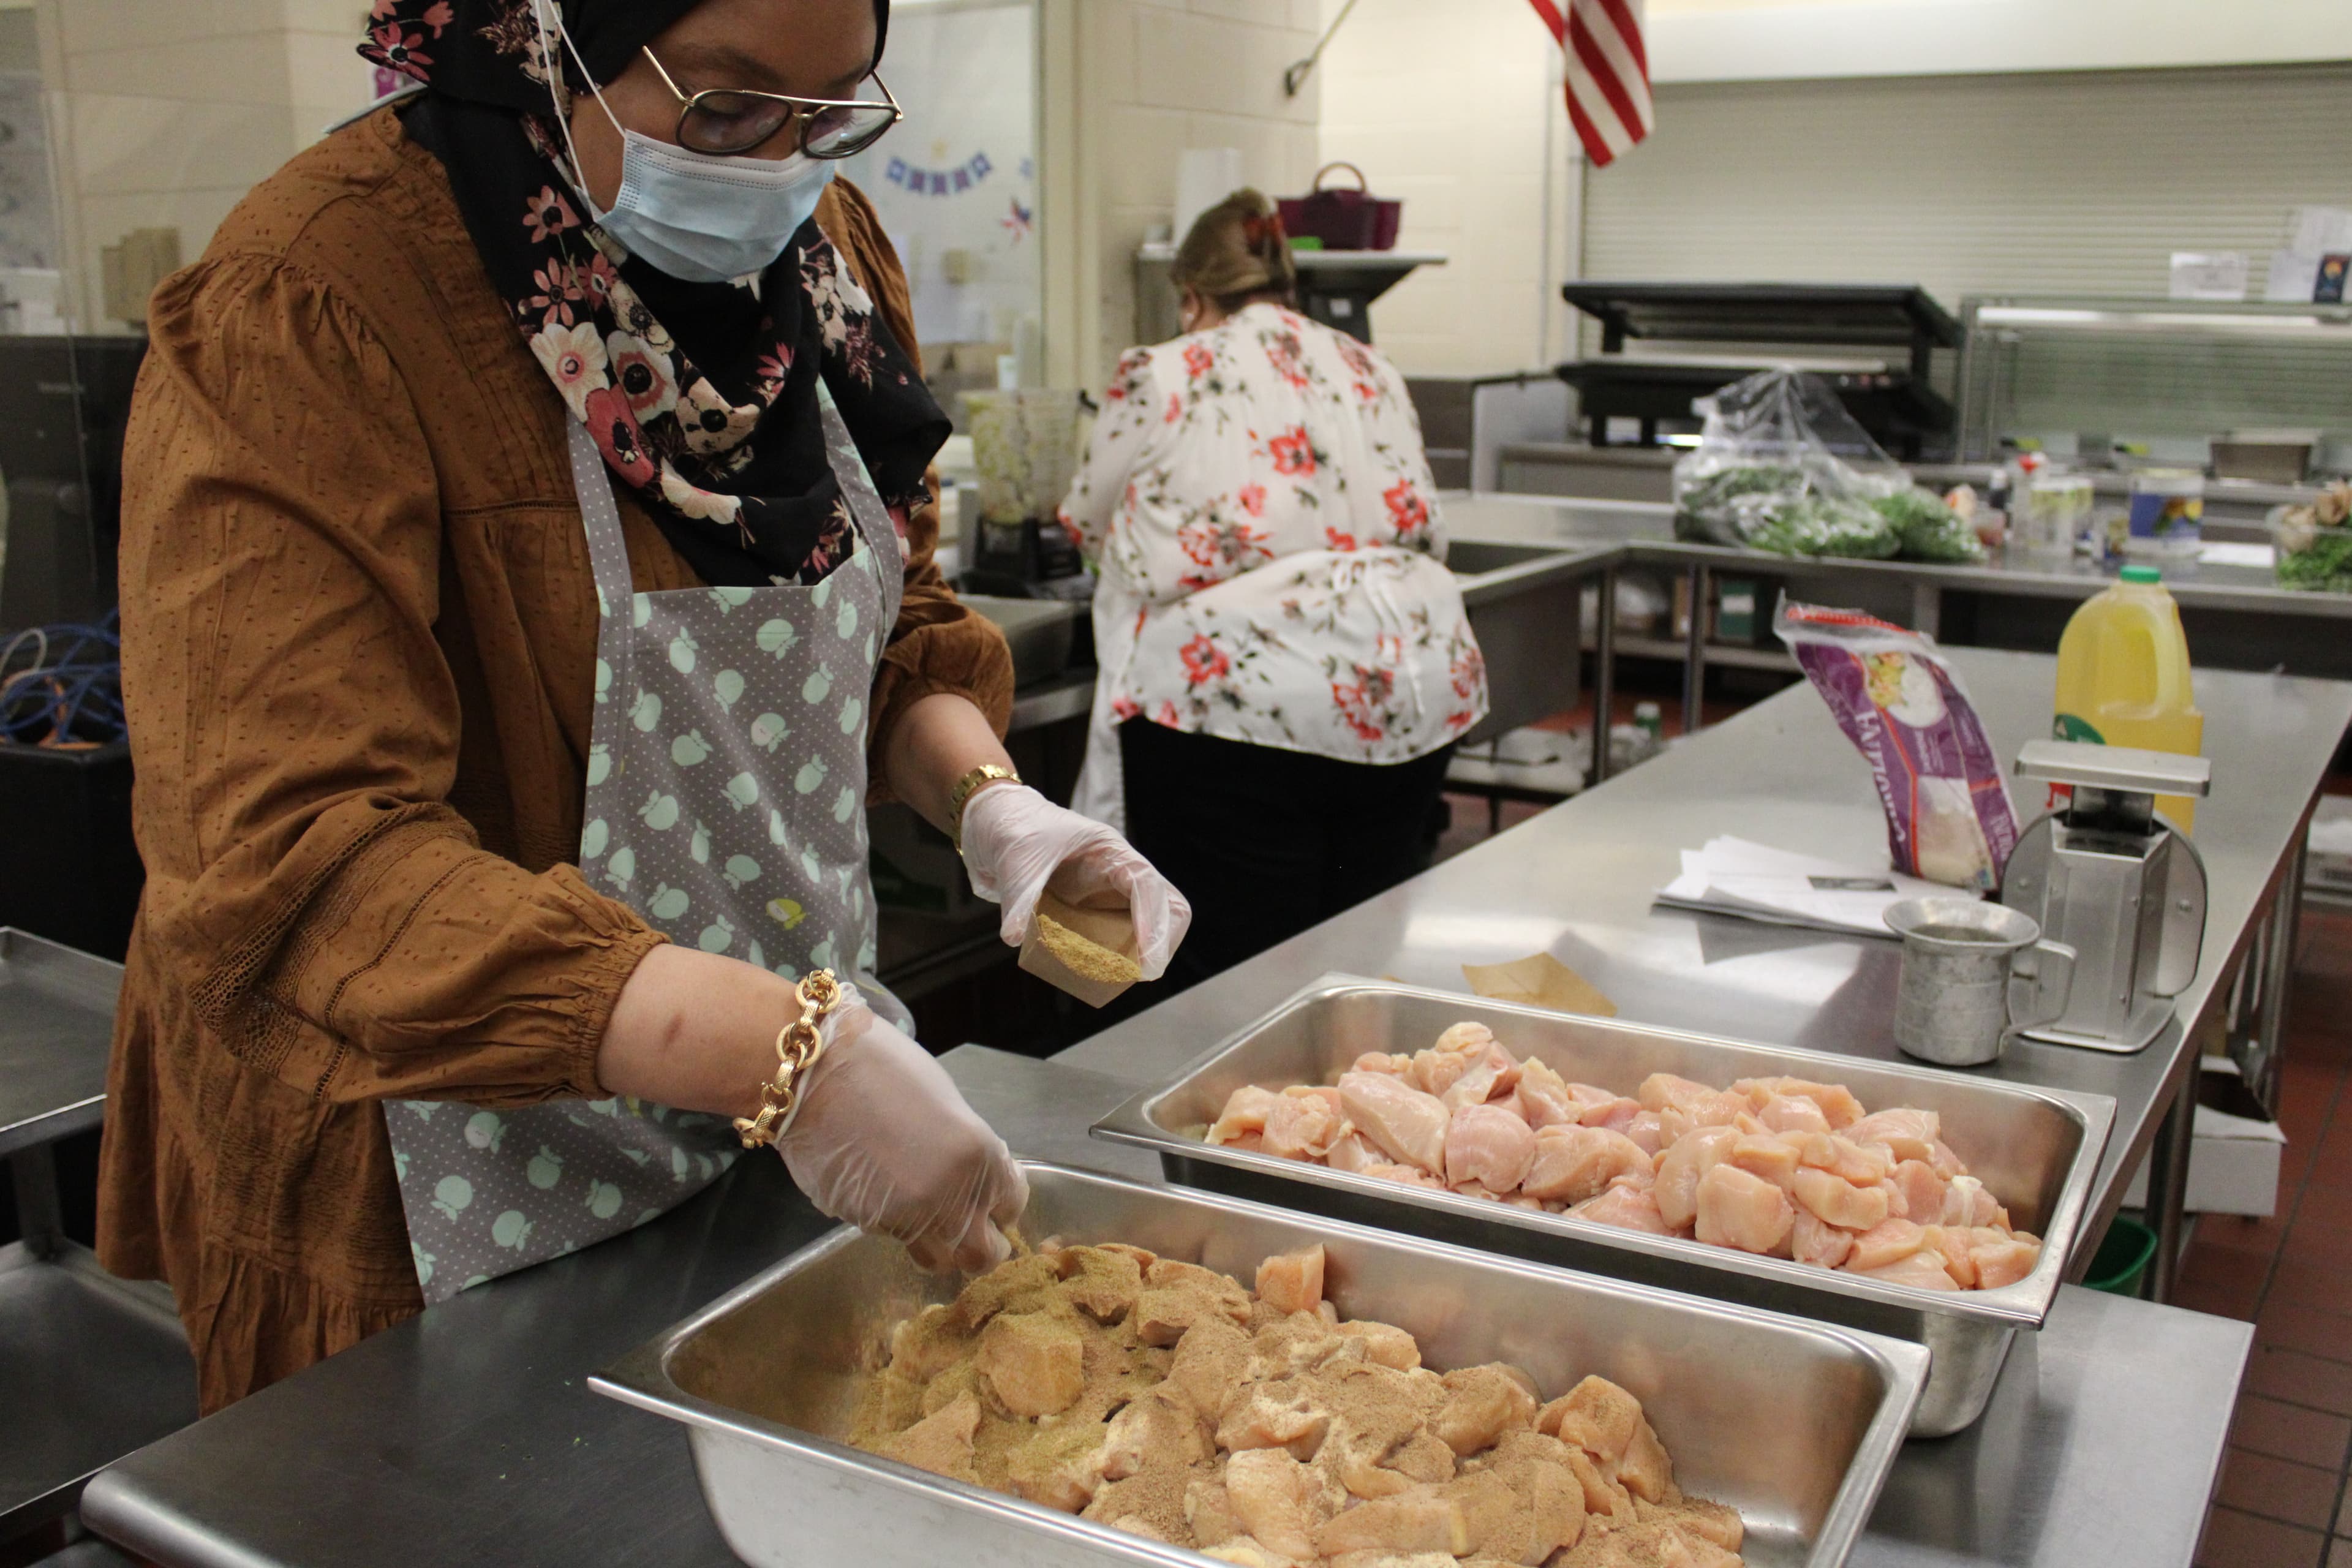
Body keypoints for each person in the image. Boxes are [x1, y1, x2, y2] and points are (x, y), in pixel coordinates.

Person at [98, 0, 1186, 1413]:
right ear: (551, 34)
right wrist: (793, 1057)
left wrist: (999, 809)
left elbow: (884, 621)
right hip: (428, 1188)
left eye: (832, 110)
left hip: (740, 1146)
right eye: (725, 108)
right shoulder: (319, 302)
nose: (782, 167)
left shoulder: (826, 256)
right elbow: (296, 861)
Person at [1060, 191, 1487, 992]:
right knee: (1358, 954)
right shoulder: (1370, 365)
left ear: (1191, 297)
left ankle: (1236, 1116)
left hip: (1239, 708)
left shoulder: (1164, 369)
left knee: (1238, 973)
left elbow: (1086, 519)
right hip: (1412, 692)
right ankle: (1358, 1104)